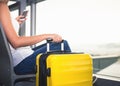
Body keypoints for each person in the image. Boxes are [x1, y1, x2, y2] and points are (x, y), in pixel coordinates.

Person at [0, 0, 71, 74]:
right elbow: (16, 42)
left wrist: (14, 23)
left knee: (55, 45)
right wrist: (47, 36)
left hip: (16, 58)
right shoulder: (2, 5)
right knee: (63, 45)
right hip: (20, 62)